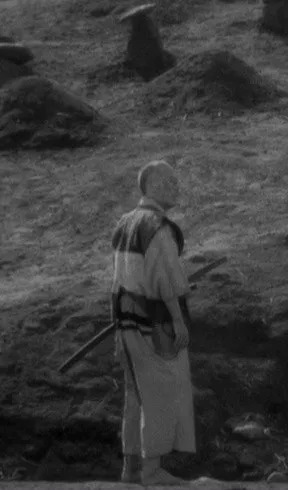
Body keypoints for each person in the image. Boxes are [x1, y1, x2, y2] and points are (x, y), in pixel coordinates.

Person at [111, 160, 195, 485]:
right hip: (152, 323)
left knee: (134, 395)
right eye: (171, 181)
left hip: (125, 322)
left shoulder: (124, 223)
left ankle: (130, 470)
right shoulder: (158, 227)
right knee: (158, 394)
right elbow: (166, 281)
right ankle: (151, 470)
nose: (177, 187)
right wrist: (178, 321)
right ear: (154, 185)